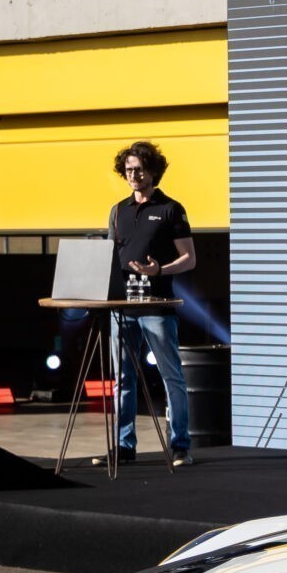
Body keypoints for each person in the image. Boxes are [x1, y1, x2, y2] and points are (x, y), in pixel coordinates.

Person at [107, 141, 195, 468]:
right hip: (121, 308)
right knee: (123, 380)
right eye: (128, 169)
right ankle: (124, 446)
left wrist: (159, 270)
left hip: (157, 306)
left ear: (153, 170)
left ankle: (180, 446)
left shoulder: (171, 209)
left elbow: (189, 258)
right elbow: (110, 256)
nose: (133, 174)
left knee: (172, 377)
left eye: (139, 168)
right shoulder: (118, 211)